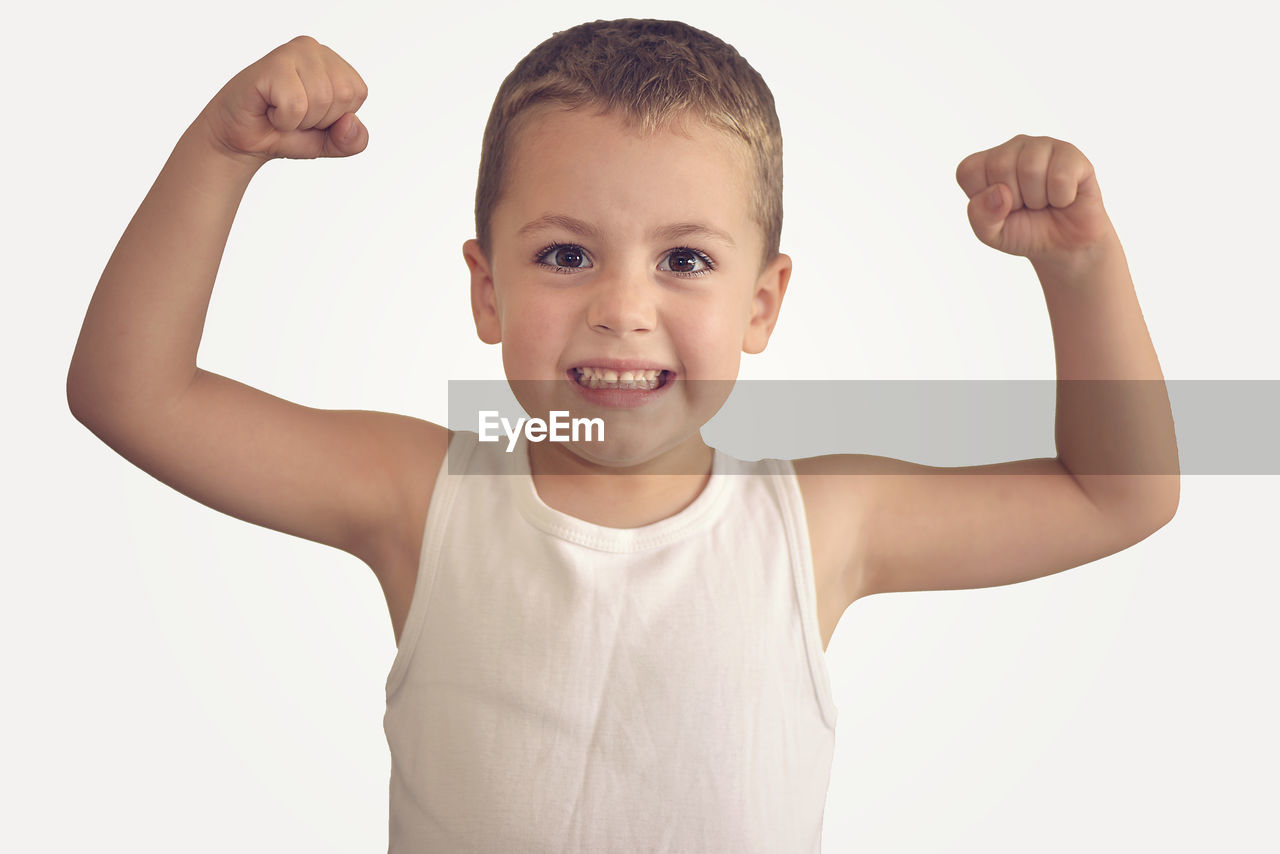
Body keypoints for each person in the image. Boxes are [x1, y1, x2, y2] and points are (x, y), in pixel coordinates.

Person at [66, 19, 1180, 853]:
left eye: (684, 259)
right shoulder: (422, 494)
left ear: (762, 302)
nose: (622, 306)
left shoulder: (818, 520)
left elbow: (1116, 492)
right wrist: (221, 151)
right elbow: (131, 392)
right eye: (564, 255)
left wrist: (1077, 269)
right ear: (485, 288)